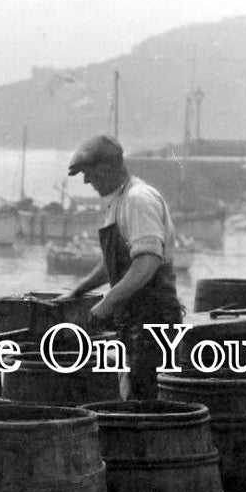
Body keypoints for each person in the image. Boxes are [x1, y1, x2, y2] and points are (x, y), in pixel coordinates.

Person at [57, 135, 184, 400]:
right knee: (132, 397)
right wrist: (77, 291)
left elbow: (147, 262)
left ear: (104, 168)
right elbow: (113, 263)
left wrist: (108, 302)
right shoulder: (120, 201)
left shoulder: (138, 199)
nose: (86, 181)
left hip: (154, 321)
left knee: (146, 403)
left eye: (87, 173)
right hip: (134, 321)